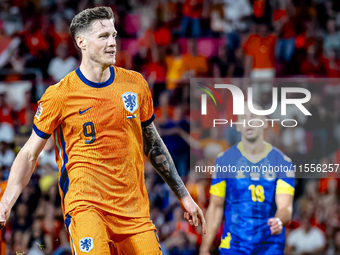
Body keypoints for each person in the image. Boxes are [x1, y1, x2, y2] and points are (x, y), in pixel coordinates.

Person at [0, 6, 205, 255]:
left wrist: (184, 195)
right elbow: (30, 153)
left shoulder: (135, 84)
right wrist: (6, 201)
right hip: (86, 208)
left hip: (133, 212)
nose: (112, 43)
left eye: (114, 35)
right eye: (103, 36)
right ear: (81, 42)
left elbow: (152, 144)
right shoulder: (60, 95)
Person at [199, 104, 295, 255]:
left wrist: (279, 220)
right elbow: (216, 206)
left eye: (254, 118)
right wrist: (205, 247)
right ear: (237, 126)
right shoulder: (225, 161)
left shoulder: (282, 162)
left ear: (264, 122)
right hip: (234, 246)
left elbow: (286, 207)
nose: (248, 122)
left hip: (269, 246)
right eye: (243, 118)